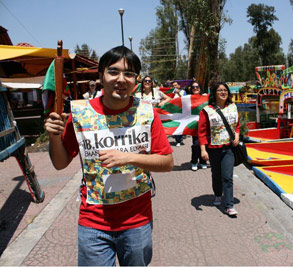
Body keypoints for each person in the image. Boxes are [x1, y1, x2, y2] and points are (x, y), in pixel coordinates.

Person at [44, 46, 174, 266]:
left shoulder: (146, 112)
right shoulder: (81, 113)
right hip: (93, 222)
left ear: (137, 80)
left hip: (137, 221)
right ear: (101, 77)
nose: (121, 79)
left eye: (129, 74)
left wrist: (129, 158)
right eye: (113, 72)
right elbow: (60, 163)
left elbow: (167, 162)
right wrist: (54, 137)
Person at [198, 82, 240, 217]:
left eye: (225, 90)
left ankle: (229, 205)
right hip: (213, 149)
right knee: (216, 174)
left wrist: (237, 136)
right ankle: (217, 194)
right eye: (220, 90)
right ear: (214, 93)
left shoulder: (233, 107)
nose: (223, 92)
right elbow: (202, 132)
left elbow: (237, 125)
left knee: (227, 177)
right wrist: (203, 150)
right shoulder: (207, 110)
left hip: (229, 148)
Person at [189, 82, 207, 171]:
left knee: (204, 143)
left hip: (204, 125)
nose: (195, 88)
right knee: (196, 144)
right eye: (193, 87)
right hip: (194, 125)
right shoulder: (188, 99)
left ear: (200, 88)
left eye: (197, 87)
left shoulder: (205, 98)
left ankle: (203, 161)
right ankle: (194, 161)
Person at [171, 81, 186, 146]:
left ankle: (179, 140)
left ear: (179, 86)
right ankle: (177, 139)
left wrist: (178, 94)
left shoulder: (183, 92)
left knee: (180, 125)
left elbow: (184, 99)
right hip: (173, 111)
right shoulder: (172, 93)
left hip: (181, 111)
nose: (175, 87)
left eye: (176, 85)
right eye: (173, 86)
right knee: (175, 125)